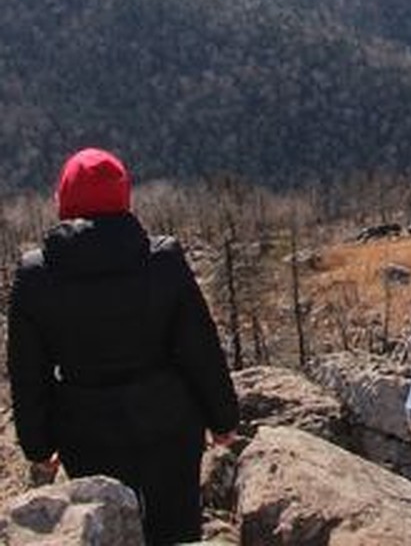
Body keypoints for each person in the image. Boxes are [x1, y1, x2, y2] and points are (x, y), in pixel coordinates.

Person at [7, 146, 239, 545]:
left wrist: (38, 446)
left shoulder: (36, 275)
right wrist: (223, 420)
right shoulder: (162, 260)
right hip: (167, 419)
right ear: (124, 197)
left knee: (107, 528)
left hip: (85, 427)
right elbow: (199, 347)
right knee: (177, 530)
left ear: (64, 200)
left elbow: (29, 373)